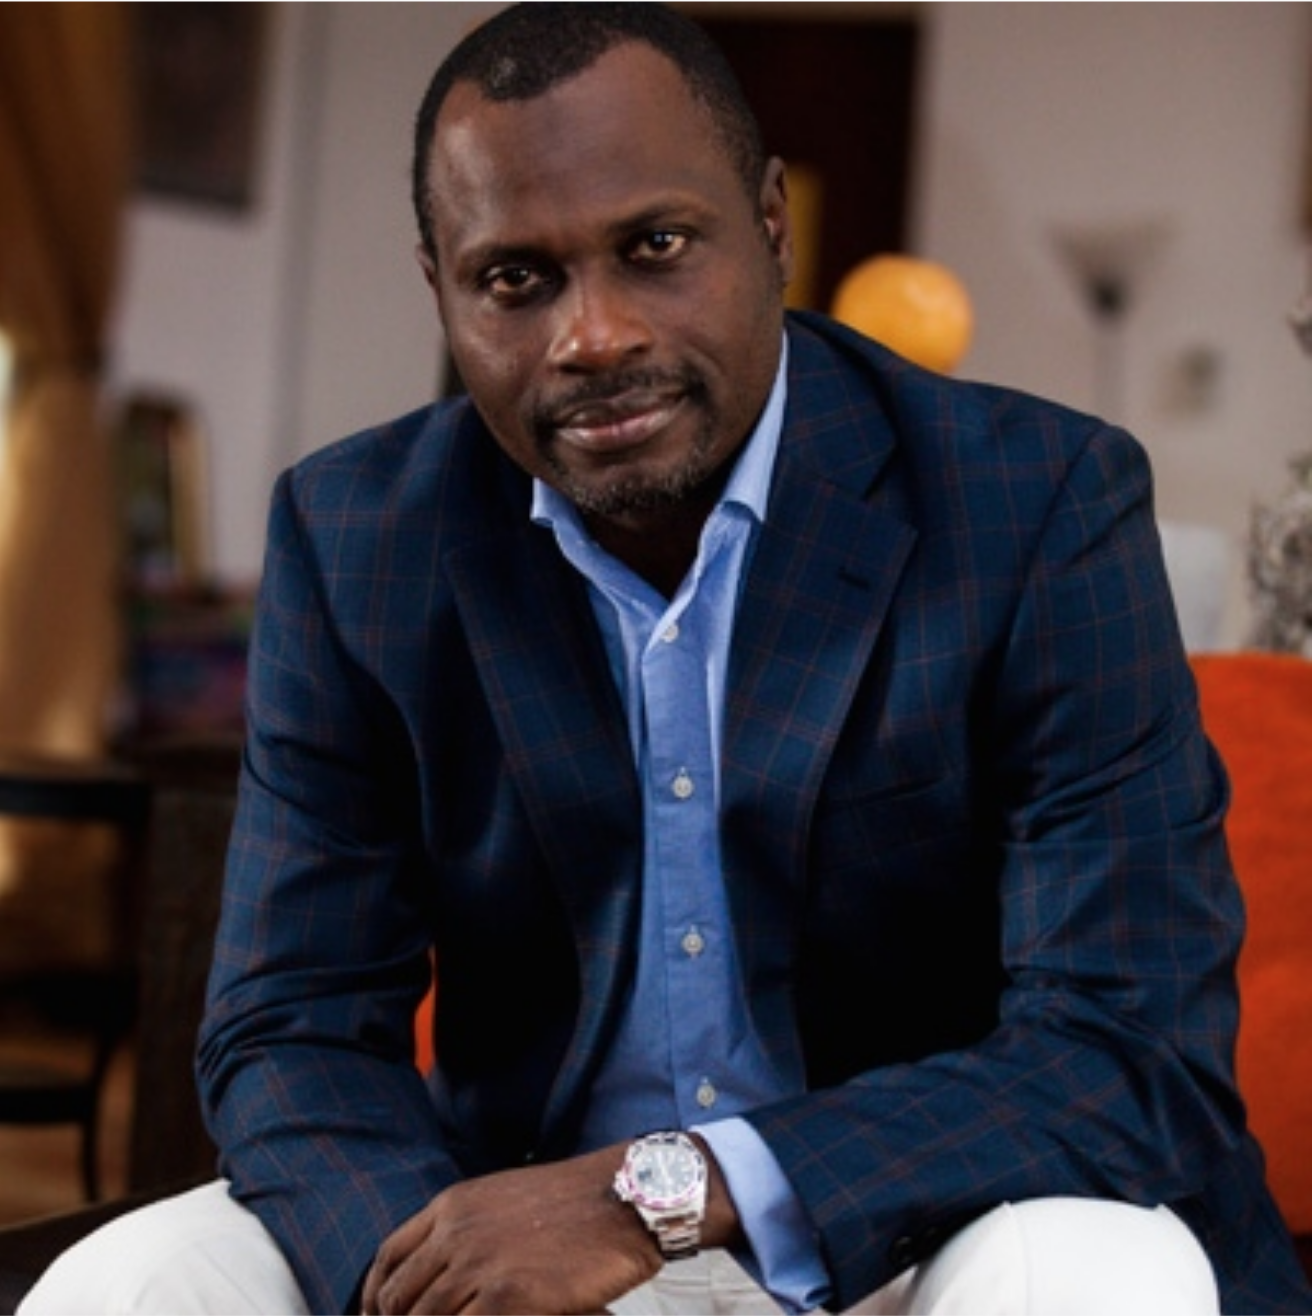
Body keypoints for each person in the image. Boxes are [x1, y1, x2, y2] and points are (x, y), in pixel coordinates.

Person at [20, 5, 1312, 1314]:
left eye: (654, 247)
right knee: (126, 1285)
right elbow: (288, 1024)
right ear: (441, 287)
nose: (593, 337)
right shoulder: (356, 536)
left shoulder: (1034, 503)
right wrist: (435, 1283)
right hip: (521, 1233)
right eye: (514, 279)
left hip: (923, 1228)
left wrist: (660, 1195)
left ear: (771, 226)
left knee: (1095, 1279)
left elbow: (1127, 1042)